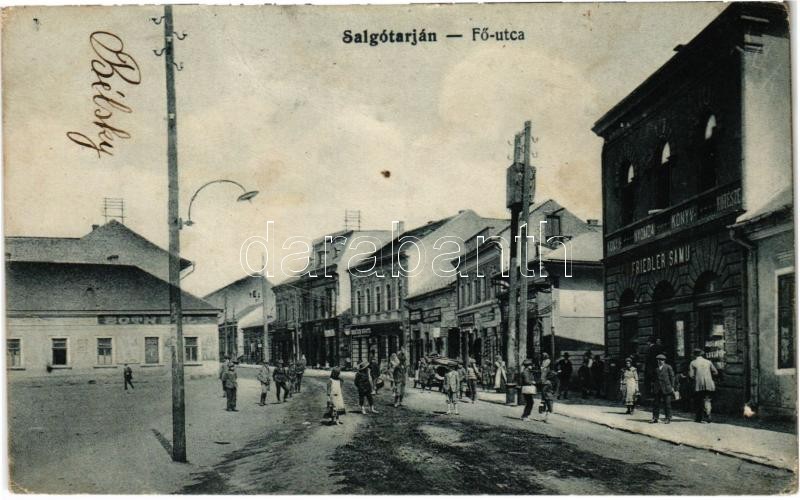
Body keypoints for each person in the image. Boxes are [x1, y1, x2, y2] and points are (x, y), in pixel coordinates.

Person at [689, 348, 719, 423]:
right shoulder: (708, 362)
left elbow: (691, 375)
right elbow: (715, 372)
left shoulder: (693, 363)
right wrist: (709, 376)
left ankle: (699, 418)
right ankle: (708, 414)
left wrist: (696, 377)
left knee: (698, 400)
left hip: (698, 384)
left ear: (694, 355)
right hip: (709, 384)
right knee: (707, 399)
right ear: (701, 354)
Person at [651, 353, 676, 424]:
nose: (660, 361)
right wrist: (653, 387)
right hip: (657, 388)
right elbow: (653, 379)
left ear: (664, 361)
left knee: (667, 404)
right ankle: (655, 418)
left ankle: (668, 418)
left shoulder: (668, 367)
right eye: (658, 360)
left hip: (666, 388)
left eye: (661, 360)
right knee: (656, 404)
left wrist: (672, 386)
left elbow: (672, 377)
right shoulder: (656, 368)